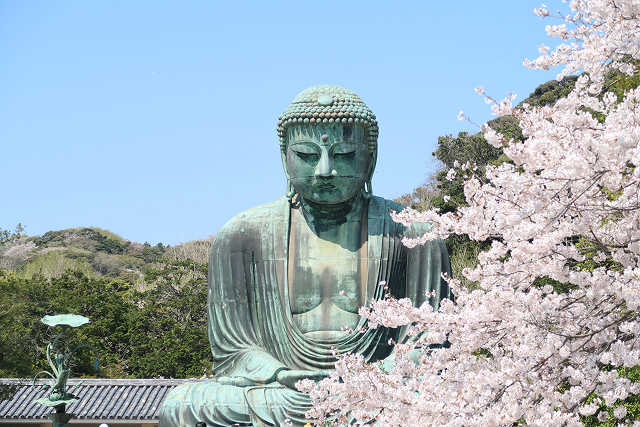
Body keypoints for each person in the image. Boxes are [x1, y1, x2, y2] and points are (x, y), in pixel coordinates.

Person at [158, 85, 451, 427]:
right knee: (182, 406)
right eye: (307, 155)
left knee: (433, 405)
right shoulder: (241, 235)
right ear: (285, 158)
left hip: (378, 392)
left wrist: (370, 383)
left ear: (369, 158)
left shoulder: (412, 233)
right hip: (279, 392)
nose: (324, 171)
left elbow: (429, 345)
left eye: (342, 155)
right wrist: (281, 374)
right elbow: (234, 350)